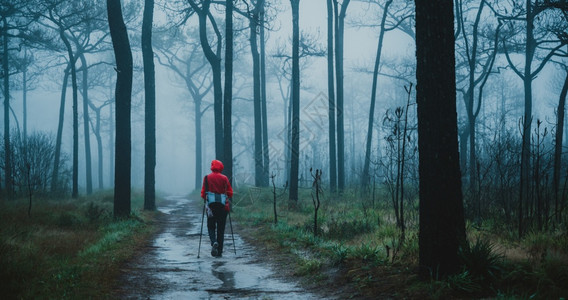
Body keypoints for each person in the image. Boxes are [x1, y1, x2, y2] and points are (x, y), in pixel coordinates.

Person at [201, 159, 233, 257]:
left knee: (211, 226)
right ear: (221, 167)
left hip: (211, 207)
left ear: (212, 167)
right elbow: (230, 193)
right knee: (220, 229)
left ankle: (213, 242)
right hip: (223, 208)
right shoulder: (224, 178)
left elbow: (203, 194)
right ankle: (219, 252)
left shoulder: (206, 178)